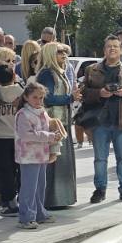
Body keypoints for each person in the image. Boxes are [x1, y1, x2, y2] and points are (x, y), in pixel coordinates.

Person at [81, 35, 122, 203]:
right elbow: (83, 92)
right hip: (99, 122)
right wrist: (99, 93)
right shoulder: (91, 70)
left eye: (115, 46)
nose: (112, 49)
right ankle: (100, 190)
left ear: (121, 50)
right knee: (100, 159)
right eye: (109, 46)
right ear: (104, 50)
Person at [13, 81, 60, 230]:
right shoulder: (23, 114)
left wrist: (54, 142)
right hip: (28, 156)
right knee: (29, 188)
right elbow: (26, 135)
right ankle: (26, 217)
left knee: (40, 186)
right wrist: (50, 136)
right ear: (26, 97)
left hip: (41, 155)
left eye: (41, 97)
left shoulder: (42, 112)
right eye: (35, 97)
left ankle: (40, 213)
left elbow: (47, 130)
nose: (39, 100)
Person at [36, 42, 77, 208]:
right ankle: (52, 200)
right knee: (54, 161)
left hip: (61, 122)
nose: (64, 54)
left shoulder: (58, 71)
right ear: (51, 54)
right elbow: (47, 98)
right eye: (59, 52)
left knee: (61, 162)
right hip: (53, 124)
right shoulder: (47, 73)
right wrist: (70, 98)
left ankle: (60, 199)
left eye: (65, 51)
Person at [0, 47, 24, 212]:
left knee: (4, 172)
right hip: (19, 137)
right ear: (14, 76)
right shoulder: (23, 93)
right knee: (20, 170)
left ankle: (9, 202)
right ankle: (23, 198)